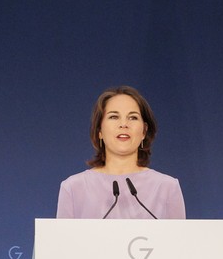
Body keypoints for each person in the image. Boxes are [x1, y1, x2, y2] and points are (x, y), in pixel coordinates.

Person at [56, 86, 186, 219]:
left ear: (144, 131)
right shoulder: (73, 188)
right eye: (114, 117)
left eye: (133, 118)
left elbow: (178, 240)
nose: (124, 124)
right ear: (99, 130)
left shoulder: (167, 187)